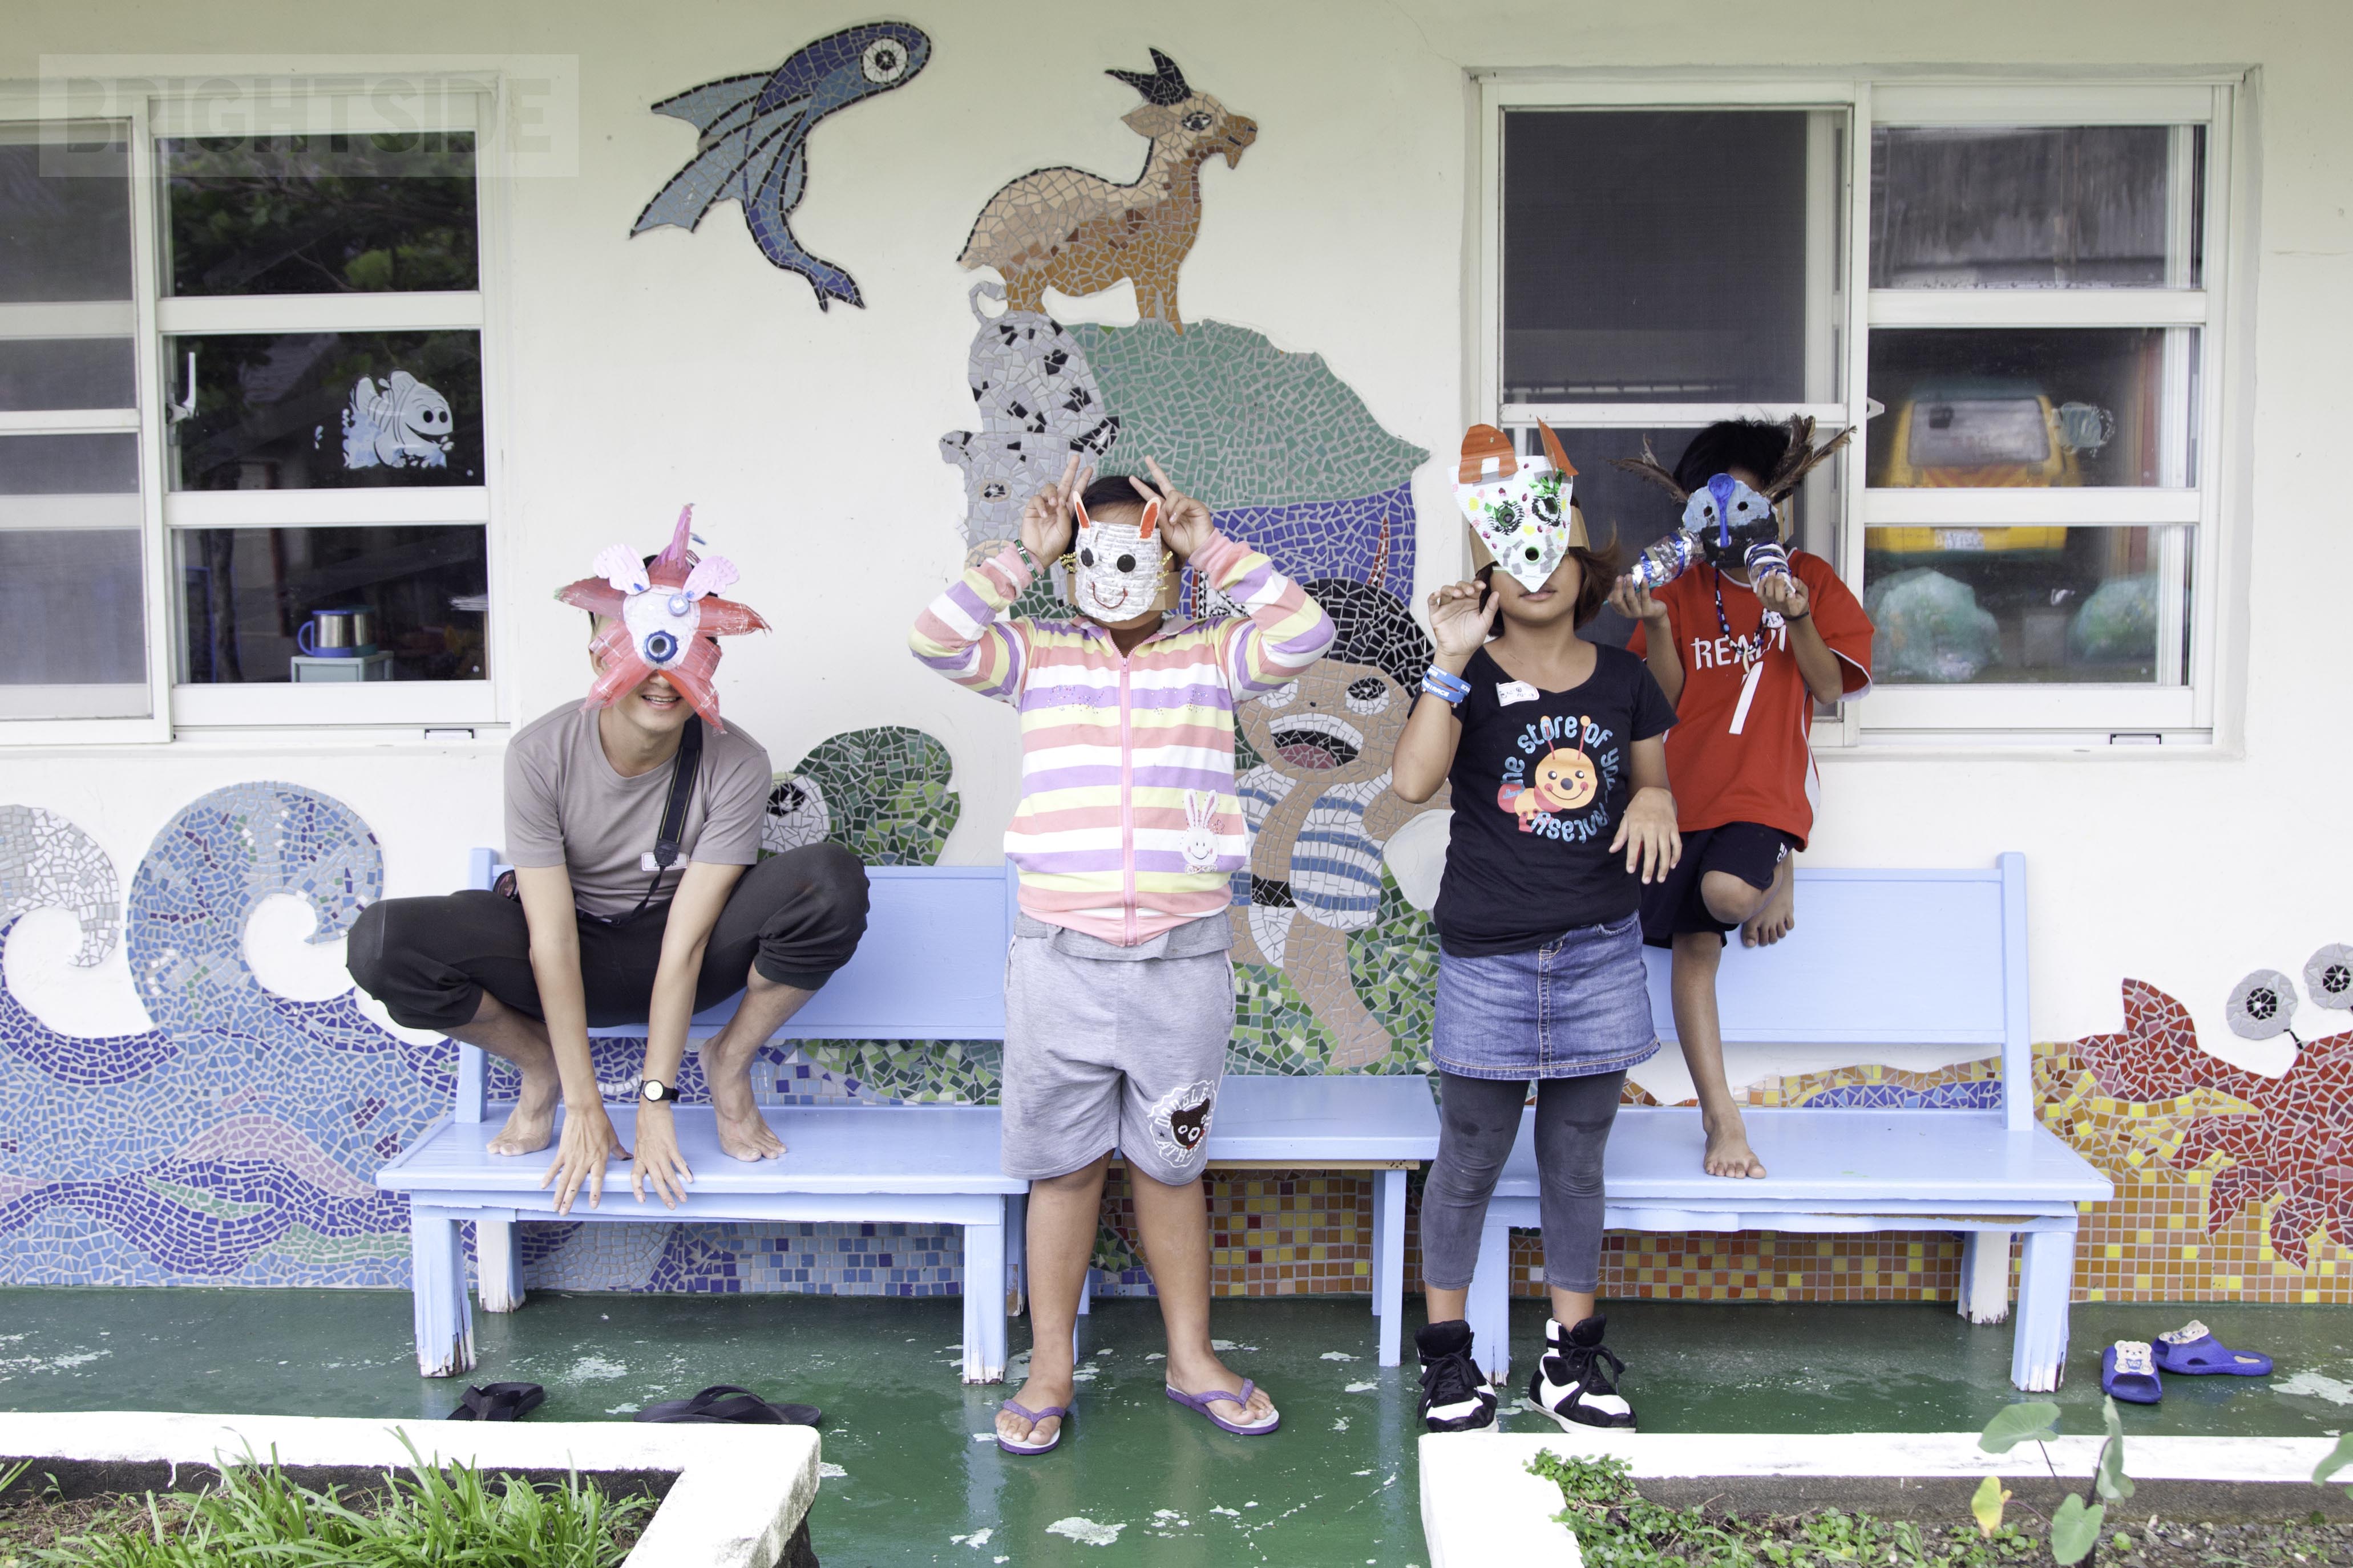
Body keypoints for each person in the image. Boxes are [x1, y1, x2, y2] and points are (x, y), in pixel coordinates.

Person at [909, 453, 1333, 1456]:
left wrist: (1212, 546)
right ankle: (1049, 1366)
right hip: (1059, 958)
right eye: (1092, 552)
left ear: (1170, 566)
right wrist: (1025, 553)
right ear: (1072, 566)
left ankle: (1191, 1356)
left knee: (1170, 1168)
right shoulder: (1036, 654)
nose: (1115, 570)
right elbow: (935, 638)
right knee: (1062, 1173)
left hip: (1183, 961)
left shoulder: (1214, 656)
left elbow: (1305, 632)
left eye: (1140, 550)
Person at [347, 508, 871, 1216]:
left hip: (685, 951)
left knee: (830, 880)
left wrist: (656, 1101)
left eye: (687, 651)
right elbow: (551, 940)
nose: (663, 677)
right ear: (600, 654)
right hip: (567, 946)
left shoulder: (737, 761)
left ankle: (728, 1062)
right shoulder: (540, 753)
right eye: (643, 648)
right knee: (383, 943)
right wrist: (582, 1100)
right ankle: (537, 1065)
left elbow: (687, 943)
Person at [1392, 423, 1680, 1435]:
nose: (1537, 568)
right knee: (1469, 1154)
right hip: (1488, 959)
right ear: (1485, 577)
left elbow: (1651, 779)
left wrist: (1656, 800)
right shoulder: (1467, 675)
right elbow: (1411, 781)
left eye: (1553, 548)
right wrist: (1446, 659)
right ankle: (1447, 1358)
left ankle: (1570, 1357)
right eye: (1513, 554)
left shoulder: (1624, 677)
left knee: (1577, 1159)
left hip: (1599, 953)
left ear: (1583, 562)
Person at [1607, 418, 1874, 1180]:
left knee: (1728, 893)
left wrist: (1796, 615)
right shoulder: (1679, 584)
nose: (1728, 522)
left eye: (1747, 503)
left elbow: (1828, 687)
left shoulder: (1808, 577)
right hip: (1679, 792)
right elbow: (1662, 700)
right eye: (1710, 507)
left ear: (1775, 505)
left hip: (1763, 789)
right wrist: (1657, 625)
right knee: (1692, 951)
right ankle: (1721, 1118)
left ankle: (1780, 862)